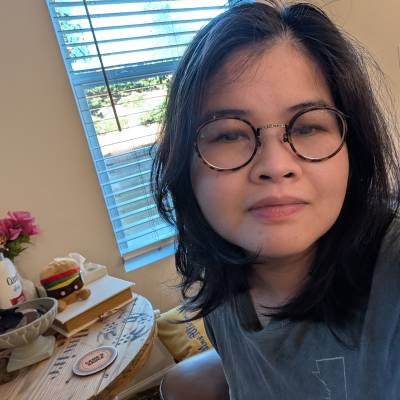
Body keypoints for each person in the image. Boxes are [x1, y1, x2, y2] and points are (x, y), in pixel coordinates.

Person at [152, 1, 400, 398]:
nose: (275, 166)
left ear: (353, 150)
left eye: (308, 127)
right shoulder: (223, 288)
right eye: (229, 134)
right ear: (184, 166)